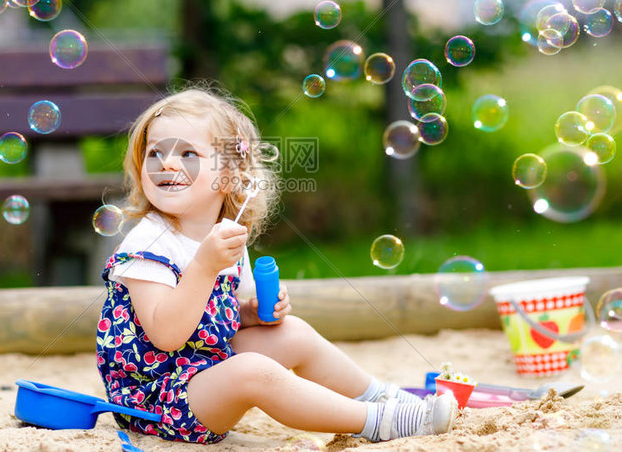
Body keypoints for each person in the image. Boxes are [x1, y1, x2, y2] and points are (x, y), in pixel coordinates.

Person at [96, 87, 457, 444]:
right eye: (154, 153)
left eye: (187, 153)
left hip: (203, 371)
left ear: (231, 175)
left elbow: (224, 316)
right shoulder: (148, 245)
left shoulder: (224, 237)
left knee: (292, 333)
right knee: (252, 371)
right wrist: (205, 266)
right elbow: (167, 334)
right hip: (156, 400)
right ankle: (379, 421)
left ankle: (382, 396)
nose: (167, 163)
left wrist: (253, 313)